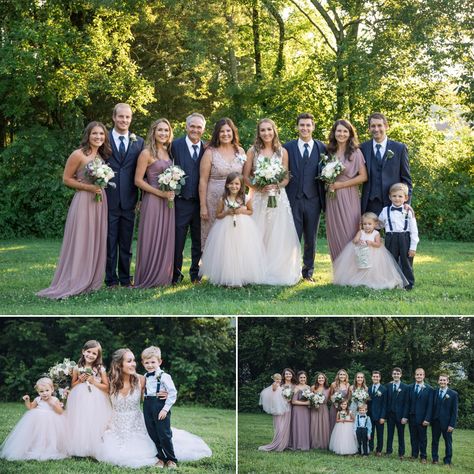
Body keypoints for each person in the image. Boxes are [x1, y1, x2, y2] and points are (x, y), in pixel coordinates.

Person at [97, 348, 212, 468]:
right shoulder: (109, 382)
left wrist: (166, 394)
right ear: (119, 364)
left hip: (137, 423)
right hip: (116, 426)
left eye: (134, 360)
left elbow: (152, 393)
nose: (134, 364)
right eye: (129, 361)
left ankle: (169, 458)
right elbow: (97, 399)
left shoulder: (141, 379)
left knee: (160, 437)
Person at [37, 122, 111, 299]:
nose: (98, 137)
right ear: (88, 135)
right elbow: (66, 179)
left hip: (99, 202)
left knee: (95, 239)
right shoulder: (78, 154)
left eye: (101, 134)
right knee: (81, 239)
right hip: (84, 201)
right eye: (95, 134)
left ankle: (91, 279)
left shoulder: (100, 156)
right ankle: (76, 279)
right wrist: (88, 188)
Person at [244, 118, 301, 285]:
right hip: (259, 198)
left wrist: (276, 186)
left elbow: (285, 178)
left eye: (269, 129)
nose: (266, 133)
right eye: (263, 130)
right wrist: (259, 187)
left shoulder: (282, 152)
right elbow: (246, 177)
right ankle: (255, 268)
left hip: (278, 197)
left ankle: (276, 268)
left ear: (274, 131)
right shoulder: (252, 151)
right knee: (258, 233)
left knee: (278, 233)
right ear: (259, 133)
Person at [199, 173, 266, 287]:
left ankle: (243, 275)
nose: (234, 186)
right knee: (228, 251)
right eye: (231, 183)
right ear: (227, 185)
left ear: (241, 185)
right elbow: (218, 215)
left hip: (243, 229)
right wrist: (226, 212)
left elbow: (250, 211)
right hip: (226, 229)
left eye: (237, 184)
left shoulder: (246, 198)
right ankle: (227, 276)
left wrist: (241, 211)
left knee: (243, 250)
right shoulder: (223, 199)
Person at [284, 113, 326, 282]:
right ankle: (291, 271)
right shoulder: (288, 147)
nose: (305, 128)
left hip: (314, 199)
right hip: (293, 198)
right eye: (302, 125)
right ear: (297, 127)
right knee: (292, 237)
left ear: (313, 127)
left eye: (308, 125)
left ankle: (308, 272)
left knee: (311, 238)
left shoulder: (322, 148)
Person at [105, 103, 144, 287]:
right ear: (114, 117)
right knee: (110, 241)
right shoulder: (103, 138)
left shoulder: (139, 142)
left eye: (127, 117)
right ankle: (110, 279)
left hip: (130, 200)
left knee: (127, 243)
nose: (124, 120)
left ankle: (125, 279)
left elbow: (143, 173)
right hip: (108, 198)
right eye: (121, 117)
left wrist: (142, 198)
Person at [134, 119, 175, 288]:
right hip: (152, 200)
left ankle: (163, 277)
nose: (163, 133)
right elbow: (137, 180)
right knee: (151, 237)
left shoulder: (169, 152)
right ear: (153, 132)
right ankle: (148, 277)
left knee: (165, 237)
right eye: (160, 130)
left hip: (169, 203)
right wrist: (160, 193)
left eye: (166, 130)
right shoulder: (146, 153)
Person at [325, 119, 368, 261]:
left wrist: (341, 185)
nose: (341, 134)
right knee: (334, 231)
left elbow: (363, 177)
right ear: (334, 132)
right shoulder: (329, 152)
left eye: (345, 131)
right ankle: (339, 270)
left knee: (350, 230)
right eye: (339, 131)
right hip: (332, 197)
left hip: (349, 196)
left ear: (350, 134)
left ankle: (353, 269)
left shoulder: (356, 152)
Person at [199, 118, 245, 248]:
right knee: (214, 237)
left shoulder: (240, 151)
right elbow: (202, 180)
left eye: (228, 131)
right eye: (222, 131)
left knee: (233, 235)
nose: (225, 134)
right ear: (217, 134)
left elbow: (243, 177)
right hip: (214, 200)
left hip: (235, 199)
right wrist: (203, 206)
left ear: (233, 132)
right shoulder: (210, 152)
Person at [171, 113, 206, 284]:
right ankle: (175, 274)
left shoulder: (207, 148)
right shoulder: (174, 146)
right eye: (192, 126)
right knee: (178, 239)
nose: (195, 130)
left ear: (203, 129)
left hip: (200, 203)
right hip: (180, 201)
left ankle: (196, 274)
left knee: (199, 240)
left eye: (199, 127)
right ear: (186, 127)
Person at [333, 212, 408, 289]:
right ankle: (361, 278)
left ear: (375, 224)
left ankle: (372, 279)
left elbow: (378, 244)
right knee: (360, 267)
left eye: (369, 224)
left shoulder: (376, 234)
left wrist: (371, 243)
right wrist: (358, 241)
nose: (367, 226)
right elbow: (354, 241)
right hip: (361, 253)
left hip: (374, 253)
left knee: (372, 268)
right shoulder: (361, 232)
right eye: (364, 224)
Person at [0, 377, 67, 460]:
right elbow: (31, 407)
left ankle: (49, 448)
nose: (44, 393)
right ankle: (36, 447)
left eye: (47, 390)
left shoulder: (55, 399)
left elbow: (60, 412)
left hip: (51, 421)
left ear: (52, 390)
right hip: (38, 420)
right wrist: (27, 400)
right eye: (41, 391)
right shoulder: (38, 399)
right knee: (38, 434)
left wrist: (53, 404)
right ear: (38, 392)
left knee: (50, 435)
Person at [65, 340, 112, 458]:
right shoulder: (77, 367)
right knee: (80, 421)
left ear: (98, 356)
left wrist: (94, 381)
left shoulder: (100, 369)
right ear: (83, 351)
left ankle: (95, 447)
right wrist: (80, 380)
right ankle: (81, 447)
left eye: (94, 353)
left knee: (94, 421)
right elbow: (73, 385)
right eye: (88, 352)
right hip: (79, 398)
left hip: (97, 398)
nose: (90, 355)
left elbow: (107, 388)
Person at [361, 112, 412, 216]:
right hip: (370, 204)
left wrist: (406, 203)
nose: (376, 129)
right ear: (369, 129)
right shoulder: (363, 148)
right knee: (371, 233)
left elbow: (406, 179)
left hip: (394, 203)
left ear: (386, 126)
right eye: (373, 126)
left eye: (379, 125)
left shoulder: (399, 148)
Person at [141, 346, 178, 469]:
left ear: (159, 362)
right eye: (147, 362)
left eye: (153, 362)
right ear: (143, 363)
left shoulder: (164, 376)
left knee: (164, 433)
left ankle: (171, 459)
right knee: (152, 432)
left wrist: (165, 409)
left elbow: (172, 393)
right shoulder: (144, 376)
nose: (150, 365)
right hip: (147, 406)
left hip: (160, 406)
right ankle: (160, 458)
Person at [379, 183, 419, 290]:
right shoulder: (385, 210)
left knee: (406, 262)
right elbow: (380, 224)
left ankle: (408, 284)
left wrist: (413, 247)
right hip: (390, 238)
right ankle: (392, 283)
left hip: (405, 238)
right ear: (390, 197)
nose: (397, 198)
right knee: (391, 261)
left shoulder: (409, 211)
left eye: (400, 196)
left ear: (406, 198)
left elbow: (414, 231)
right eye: (394, 196)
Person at [258, 368, 296, 452]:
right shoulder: (279, 384)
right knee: (279, 427)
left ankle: (285, 444)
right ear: (283, 376)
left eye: (290, 374)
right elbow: (272, 395)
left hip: (289, 408)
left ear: (292, 375)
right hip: (279, 408)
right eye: (286, 374)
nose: (288, 375)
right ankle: (277, 444)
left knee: (287, 426)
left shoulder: (295, 385)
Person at [402, 368, 433, 464]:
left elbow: (430, 406)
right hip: (412, 417)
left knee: (422, 438)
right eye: (417, 375)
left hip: (423, 418)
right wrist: (405, 416)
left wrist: (427, 418)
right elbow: (407, 403)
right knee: (413, 437)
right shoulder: (409, 388)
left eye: (421, 375)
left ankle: (423, 456)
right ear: (415, 376)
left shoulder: (429, 389)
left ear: (424, 376)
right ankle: (414, 455)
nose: (419, 376)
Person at [431, 374, 458, 466]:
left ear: (447, 381)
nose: (442, 382)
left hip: (447, 423)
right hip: (435, 422)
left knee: (448, 442)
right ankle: (435, 458)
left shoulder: (453, 394)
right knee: (435, 441)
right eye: (440, 380)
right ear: (438, 381)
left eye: (444, 380)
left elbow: (454, 412)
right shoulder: (434, 392)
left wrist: (452, 424)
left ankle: (447, 460)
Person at [385, 367, 409, 459]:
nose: (396, 375)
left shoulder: (405, 387)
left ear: (400, 375)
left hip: (401, 415)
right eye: (394, 374)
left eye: (398, 374)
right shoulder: (388, 386)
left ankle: (401, 453)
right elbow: (386, 401)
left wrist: (405, 416)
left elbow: (407, 403)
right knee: (389, 434)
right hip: (390, 415)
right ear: (392, 375)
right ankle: (388, 451)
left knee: (401, 434)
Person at [290, 371, 311, 451]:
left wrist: (311, 403)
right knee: (298, 426)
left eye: (304, 377)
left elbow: (310, 400)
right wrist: (306, 403)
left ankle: (305, 444)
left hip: (306, 410)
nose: (302, 379)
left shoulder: (308, 387)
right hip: (297, 410)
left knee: (305, 426)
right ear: (298, 378)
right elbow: (293, 401)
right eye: (301, 377)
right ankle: (297, 444)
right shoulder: (296, 388)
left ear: (306, 378)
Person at [367, 370, 386, 456]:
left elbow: (385, 404)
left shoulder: (384, 389)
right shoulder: (369, 388)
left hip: (379, 416)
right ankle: (370, 448)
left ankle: (379, 450)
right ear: (372, 377)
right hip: (370, 415)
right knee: (370, 432)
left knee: (380, 434)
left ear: (380, 378)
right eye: (374, 376)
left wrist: (382, 417)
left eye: (377, 377)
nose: (375, 378)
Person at [309, 372, 330, 450]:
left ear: (325, 379)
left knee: (324, 426)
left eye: (322, 378)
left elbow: (331, 399)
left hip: (324, 409)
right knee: (314, 425)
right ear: (317, 380)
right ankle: (314, 443)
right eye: (319, 378)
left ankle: (323, 444)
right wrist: (314, 403)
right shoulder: (313, 388)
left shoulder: (328, 388)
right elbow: (310, 399)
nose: (321, 379)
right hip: (315, 409)